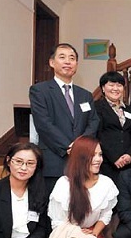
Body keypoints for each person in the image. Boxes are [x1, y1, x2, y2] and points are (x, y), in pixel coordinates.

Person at [29, 43, 99, 195]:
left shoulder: (85, 95)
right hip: (54, 161)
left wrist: (80, 145)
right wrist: (69, 146)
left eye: (72, 58)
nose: (68, 61)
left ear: (76, 64)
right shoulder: (40, 91)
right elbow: (43, 124)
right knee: (52, 212)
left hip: (82, 163)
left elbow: (93, 121)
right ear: (52, 62)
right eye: (62, 57)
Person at [0, 143, 48, 238]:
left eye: (30, 163)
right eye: (18, 161)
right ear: (8, 161)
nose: (23, 167)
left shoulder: (40, 191)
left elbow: (42, 226)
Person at [94, 71, 131, 184]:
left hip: (128, 165)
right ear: (103, 88)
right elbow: (98, 135)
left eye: (119, 85)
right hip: (106, 163)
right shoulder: (97, 107)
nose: (115, 88)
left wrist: (130, 155)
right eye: (111, 85)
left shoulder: (129, 109)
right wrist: (114, 157)